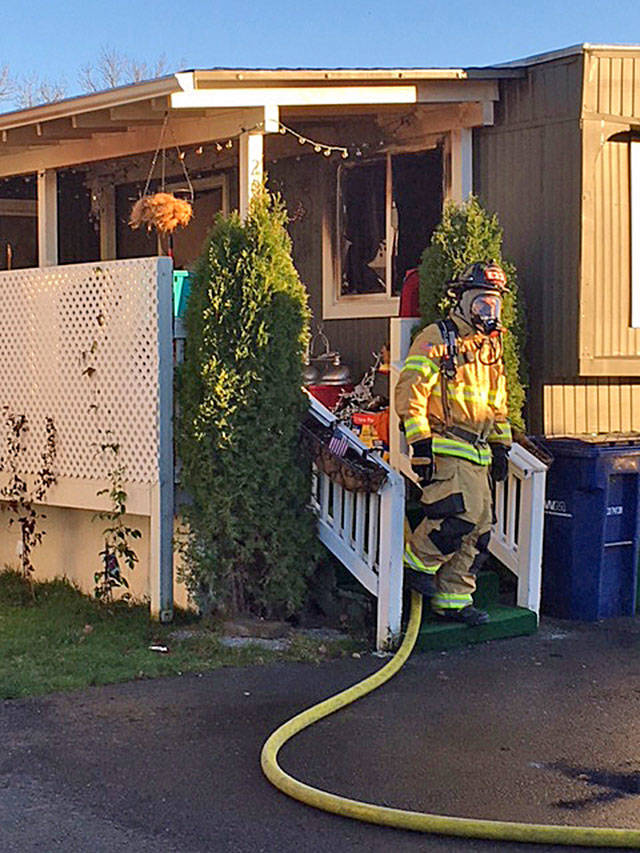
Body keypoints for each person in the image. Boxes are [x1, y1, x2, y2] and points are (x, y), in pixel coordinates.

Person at [394, 260, 512, 626]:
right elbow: (409, 391)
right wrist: (421, 444)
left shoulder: (490, 348)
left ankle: (454, 599)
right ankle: (413, 569)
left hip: (478, 452)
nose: (487, 312)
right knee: (455, 520)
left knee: (480, 531)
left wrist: (501, 444)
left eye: (493, 304)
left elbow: (497, 402)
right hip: (447, 446)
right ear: (461, 301)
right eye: (480, 303)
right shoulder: (437, 338)